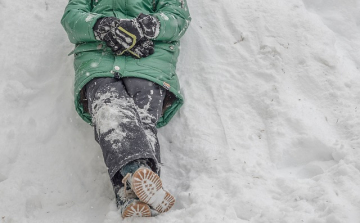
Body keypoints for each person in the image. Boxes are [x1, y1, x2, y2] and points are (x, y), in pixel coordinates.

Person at [61, 0, 191, 218]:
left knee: (141, 120)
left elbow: (177, 17)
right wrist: (103, 26)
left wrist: (145, 26)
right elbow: (72, 17)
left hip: (149, 63)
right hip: (99, 62)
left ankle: (127, 192)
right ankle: (139, 177)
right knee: (109, 111)